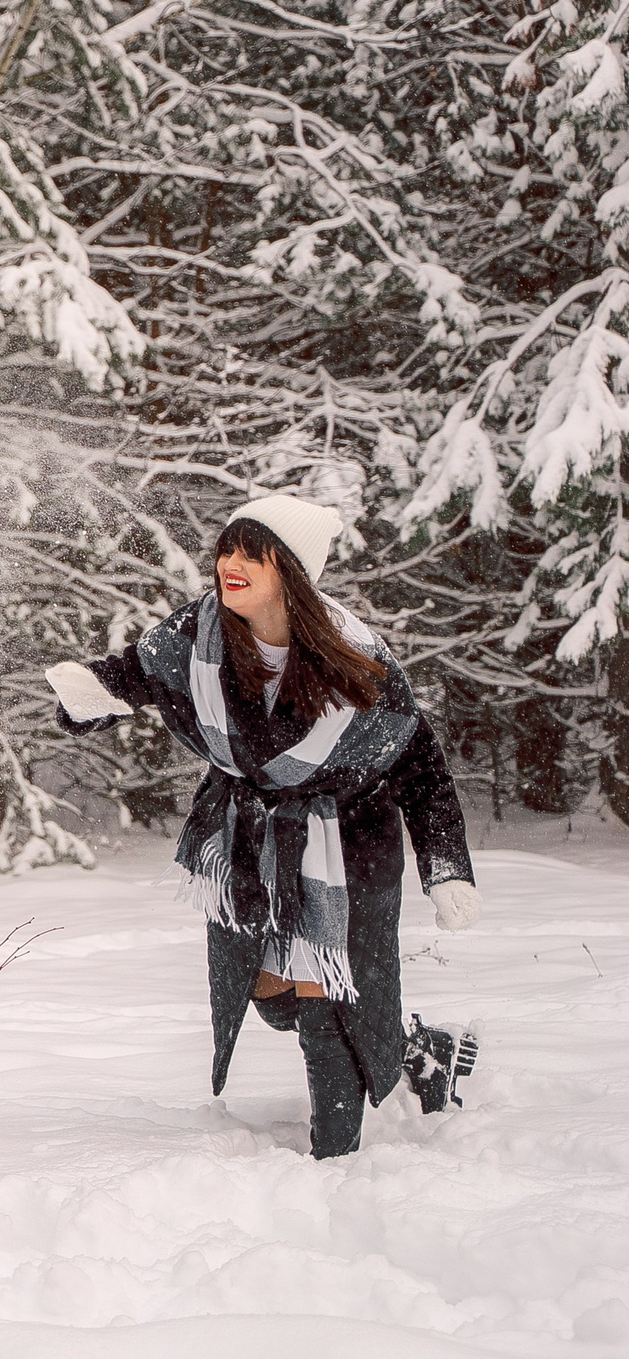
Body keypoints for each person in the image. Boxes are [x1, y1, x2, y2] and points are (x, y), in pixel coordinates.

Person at [45, 495, 482, 1159]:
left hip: (348, 846)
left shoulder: (357, 659)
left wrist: (445, 868)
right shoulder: (199, 633)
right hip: (252, 842)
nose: (231, 564)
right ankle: (422, 1049)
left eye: (254, 553)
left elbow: (418, 760)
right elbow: (131, 677)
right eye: (227, 549)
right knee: (269, 991)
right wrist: (86, 699)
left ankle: (334, 1160)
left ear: (294, 573)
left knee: (323, 995)